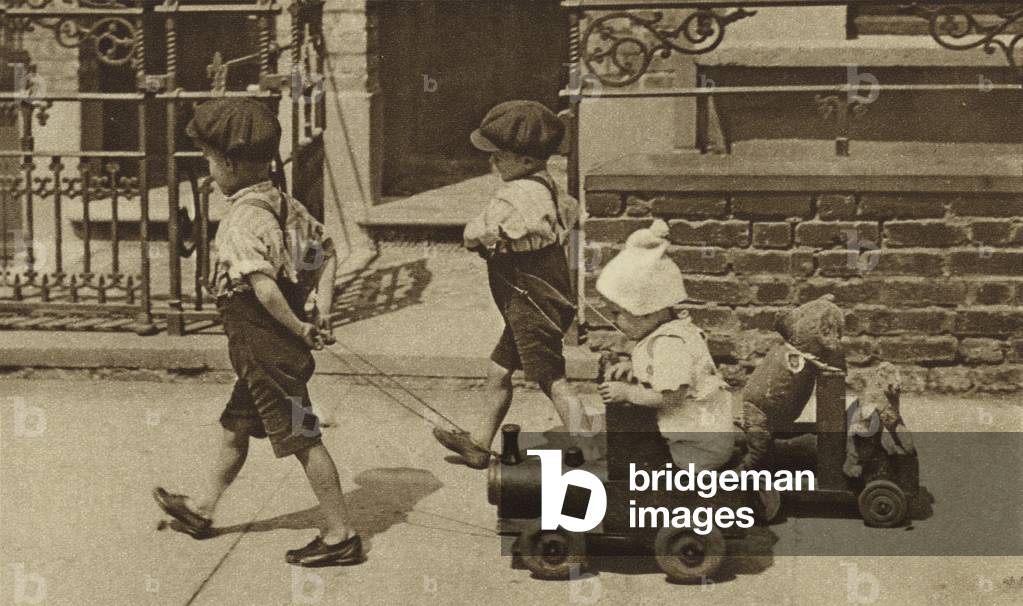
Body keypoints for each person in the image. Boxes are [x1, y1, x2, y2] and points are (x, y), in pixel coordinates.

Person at [152, 98, 362, 567]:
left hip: (264, 345)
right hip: (264, 350)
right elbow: (326, 251)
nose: (209, 171)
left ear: (227, 162)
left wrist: (302, 329)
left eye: (208, 160)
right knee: (235, 428)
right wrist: (321, 309)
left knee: (304, 437)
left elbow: (265, 292)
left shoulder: (242, 220)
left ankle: (340, 534)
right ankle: (203, 509)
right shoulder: (282, 203)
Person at [432, 100, 594, 469]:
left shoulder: (517, 195)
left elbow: (479, 232)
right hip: (539, 297)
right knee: (498, 370)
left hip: (530, 300)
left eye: (499, 157)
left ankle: (590, 453)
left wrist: (478, 237)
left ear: (523, 161)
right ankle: (478, 443)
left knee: (553, 379)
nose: (492, 164)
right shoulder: (545, 185)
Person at [595, 220, 735, 472]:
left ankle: (722, 490)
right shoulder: (666, 330)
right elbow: (659, 369)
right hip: (699, 433)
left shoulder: (669, 345)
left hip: (697, 449)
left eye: (617, 313)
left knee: (674, 477)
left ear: (647, 311)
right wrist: (633, 366)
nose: (613, 321)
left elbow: (670, 399)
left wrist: (628, 394)